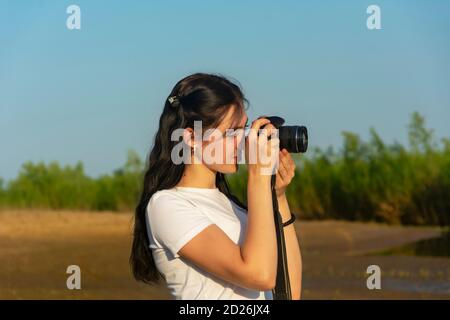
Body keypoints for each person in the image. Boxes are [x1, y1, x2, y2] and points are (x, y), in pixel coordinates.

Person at [130, 73, 302, 299]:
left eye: (244, 129)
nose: (242, 141)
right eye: (231, 132)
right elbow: (260, 274)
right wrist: (259, 176)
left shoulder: (233, 208)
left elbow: (288, 293)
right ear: (190, 137)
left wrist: (277, 197)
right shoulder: (167, 205)